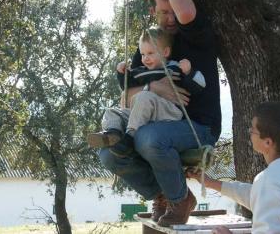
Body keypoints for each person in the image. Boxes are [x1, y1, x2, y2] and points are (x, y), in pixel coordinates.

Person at [98, 0, 221, 227]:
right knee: (108, 152)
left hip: (197, 128)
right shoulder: (148, 47)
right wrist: (155, 89)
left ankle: (180, 200)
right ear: (153, 11)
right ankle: (165, 195)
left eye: (173, 10)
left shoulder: (196, 35)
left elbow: (186, 11)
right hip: (152, 123)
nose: (171, 18)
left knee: (148, 138)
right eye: (164, 12)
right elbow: (127, 96)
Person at [188, 101, 280, 234]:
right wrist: (211, 183)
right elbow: (258, 196)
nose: (250, 132)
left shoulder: (269, 180)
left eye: (253, 130)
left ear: (267, 142)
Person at [87, 27, 206, 157]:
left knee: (143, 96)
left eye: (150, 53)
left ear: (165, 52)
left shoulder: (174, 68)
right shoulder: (141, 71)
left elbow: (199, 85)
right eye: (143, 54)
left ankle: (129, 138)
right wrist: (122, 73)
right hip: (141, 114)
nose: (145, 58)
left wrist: (188, 71)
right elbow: (126, 87)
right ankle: (112, 132)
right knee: (111, 111)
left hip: (167, 112)